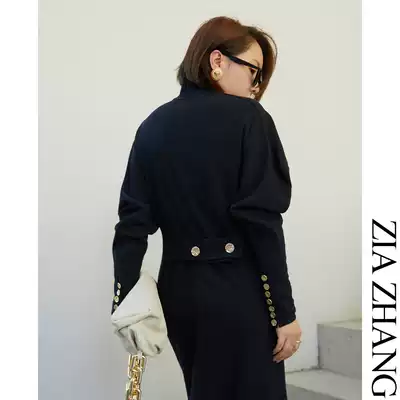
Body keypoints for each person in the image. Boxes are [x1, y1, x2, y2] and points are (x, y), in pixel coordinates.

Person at [111, 15, 302, 400]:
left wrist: (124, 303)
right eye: (253, 70)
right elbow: (262, 221)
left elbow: (131, 225)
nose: (255, 85)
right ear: (217, 61)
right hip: (238, 293)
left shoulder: (153, 126)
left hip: (180, 295)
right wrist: (284, 313)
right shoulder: (250, 120)